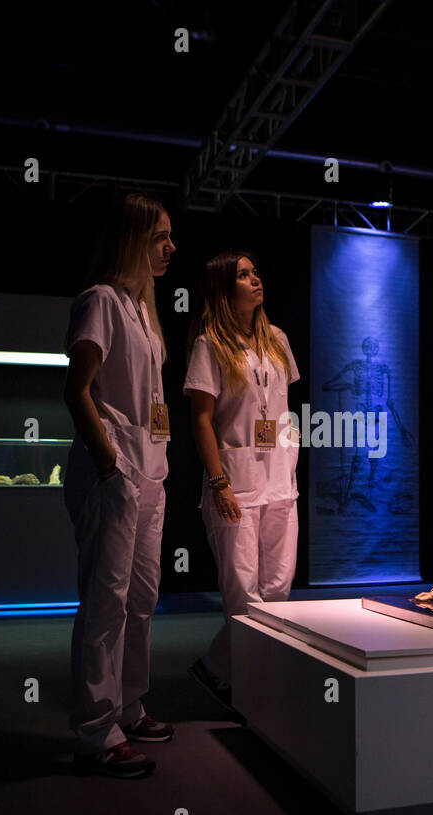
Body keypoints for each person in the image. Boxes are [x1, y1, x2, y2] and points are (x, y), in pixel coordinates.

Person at [61, 191, 177, 779]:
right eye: (160, 237)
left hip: (149, 471)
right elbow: (76, 389)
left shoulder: (142, 310)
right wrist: (109, 467)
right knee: (105, 600)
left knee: (141, 598)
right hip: (116, 471)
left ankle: (129, 706)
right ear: (133, 238)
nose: (170, 248)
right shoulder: (101, 300)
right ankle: (95, 730)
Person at [183, 252, 300, 714]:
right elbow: (201, 419)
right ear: (223, 289)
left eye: (256, 271)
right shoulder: (209, 344)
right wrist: (218, 482)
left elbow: (284, 409)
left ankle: (218, 666)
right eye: (244, 275)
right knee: (244, 598)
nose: (256, 279)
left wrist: (291, 466)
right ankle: (249, 690)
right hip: (235, 486)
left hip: (279, 485)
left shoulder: (277, 340)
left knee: (278, 592)